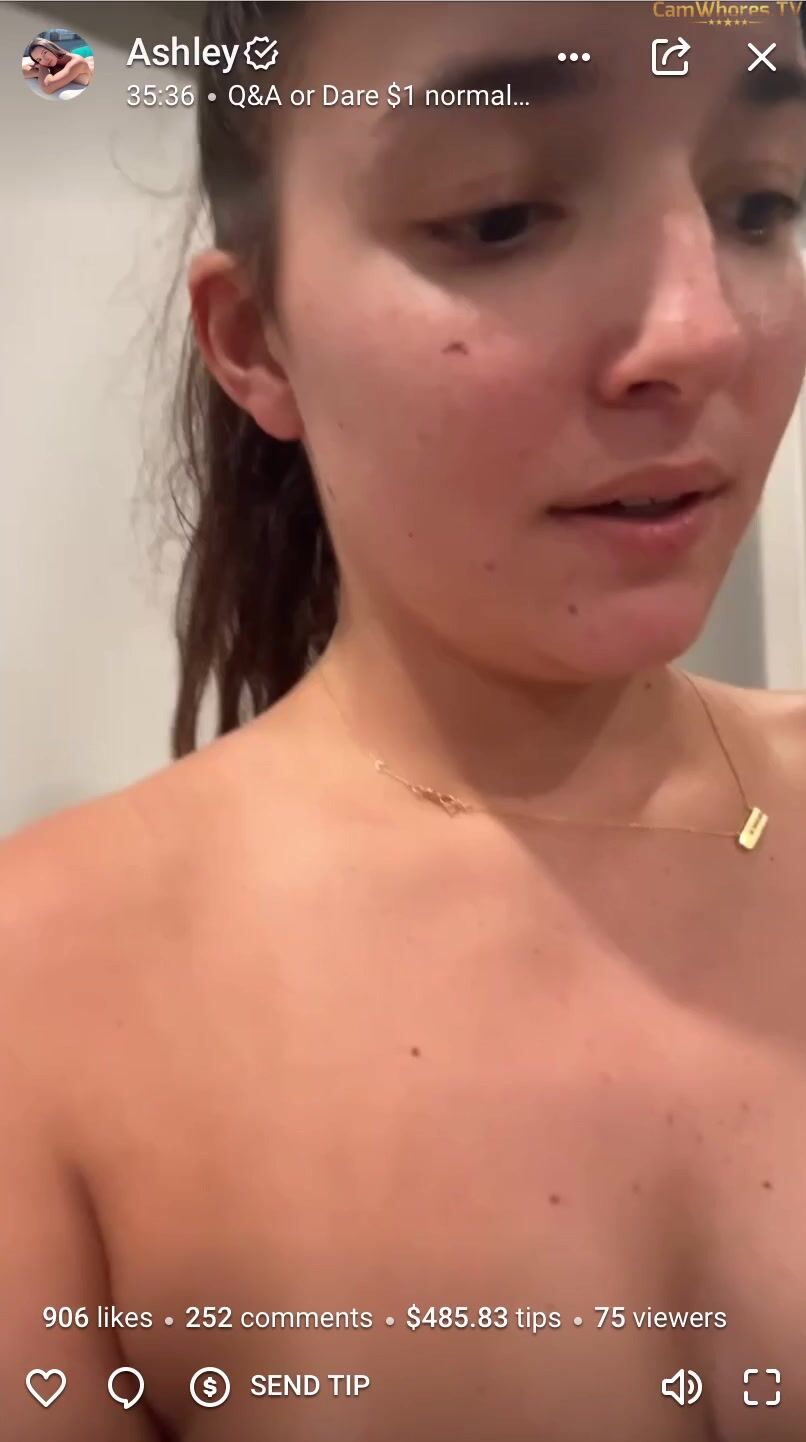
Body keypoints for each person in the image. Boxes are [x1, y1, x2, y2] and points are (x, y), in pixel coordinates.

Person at [2, 2, 806, 1438]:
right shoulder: (41, 1004)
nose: (700, 328)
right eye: (498, 217)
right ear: (256, 344)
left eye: (758, 203)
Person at [22, 37, 94, 94]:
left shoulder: (77, 62)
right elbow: (23, 70)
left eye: (45, 53)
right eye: (39, 59)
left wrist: (43, 69)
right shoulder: (49, 62)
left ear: (51, 47)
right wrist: (42, 67)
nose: (45, 60)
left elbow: (48, 87)